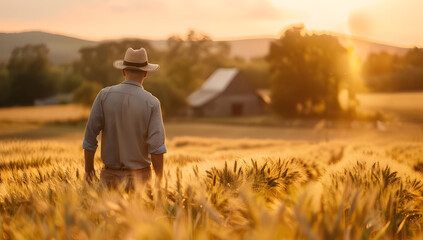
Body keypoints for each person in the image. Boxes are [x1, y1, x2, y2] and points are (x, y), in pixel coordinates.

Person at [83, 47, 166, 189]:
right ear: (145, 73)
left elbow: (90, 137)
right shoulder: (152, 103)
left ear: (123, 71)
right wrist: (159, 184)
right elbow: (156, 148)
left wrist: (89, 170)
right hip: (140, 180)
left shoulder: (104, 95)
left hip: (108, 178)